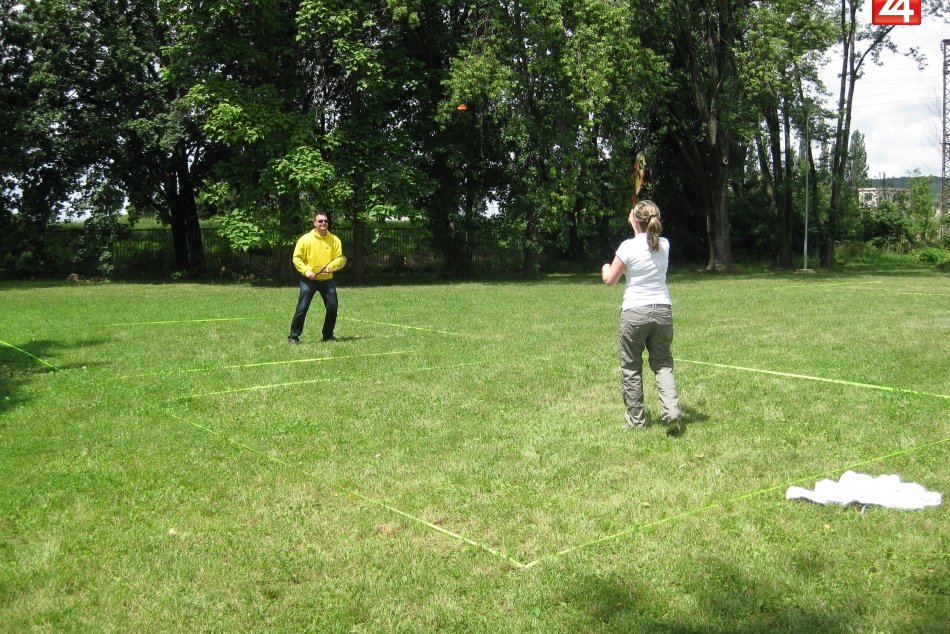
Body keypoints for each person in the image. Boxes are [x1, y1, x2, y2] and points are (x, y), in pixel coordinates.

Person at [601, 200, 682, 436]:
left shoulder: (627, 247)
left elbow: (610, 280)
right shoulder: (665, 244)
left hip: (634, 312)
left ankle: (636, 420)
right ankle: (672, 414)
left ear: (635, 219)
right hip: (662, 310)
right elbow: (649, 242)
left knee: (631, 367)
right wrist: (637, 225)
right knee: (663, 364)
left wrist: (606, 265)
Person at [288, 211, 344, 344]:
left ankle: (328, 335)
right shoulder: (305, 239)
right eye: (320, 221)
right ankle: (293, 337)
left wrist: (330, 268)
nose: (323, 223)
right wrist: (306, 271)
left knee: (332, 308)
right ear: (315, 223)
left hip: (327, 281)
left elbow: (339, 259)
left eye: (325, 221)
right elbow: (297, 258)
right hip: (309, 281)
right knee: (302, 308)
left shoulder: (334, 240)